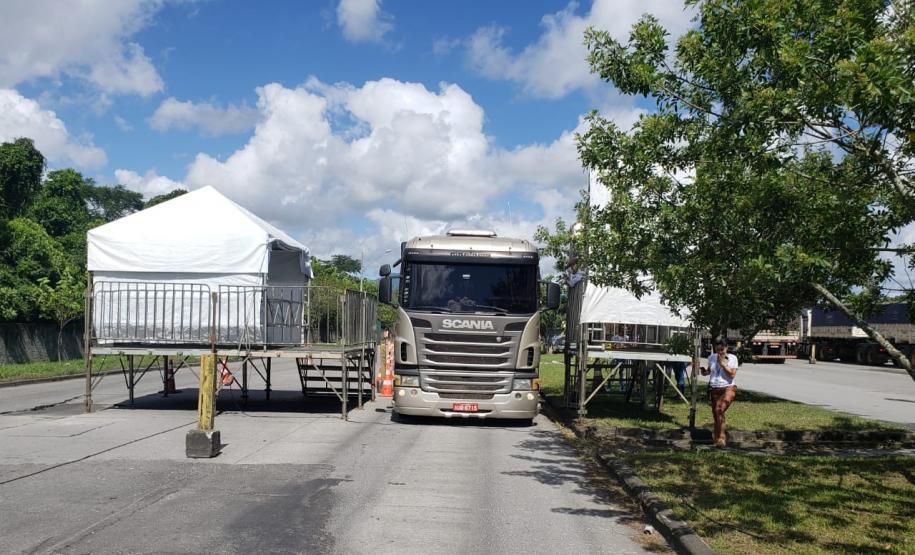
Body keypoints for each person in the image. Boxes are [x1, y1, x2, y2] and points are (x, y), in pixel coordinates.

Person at [703, 336, 738, 447]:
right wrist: (704, 372)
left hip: (728, 388)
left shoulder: (732, 358)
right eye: (717, 349)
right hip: (714, 389)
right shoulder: (711, 358)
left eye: (722, 349)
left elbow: (732, 374)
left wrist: (723, 365)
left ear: (726, 348)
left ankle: (722, 438)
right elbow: (709, 371)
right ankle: (717, 439)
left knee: (719, 410)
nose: (720, 352)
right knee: (716, 414)